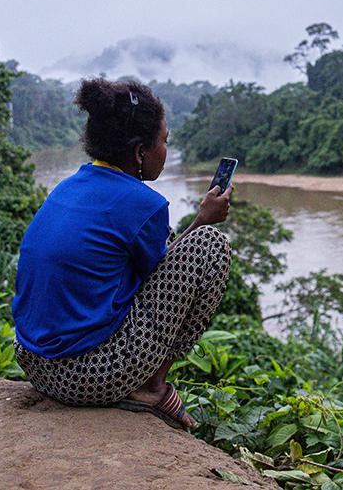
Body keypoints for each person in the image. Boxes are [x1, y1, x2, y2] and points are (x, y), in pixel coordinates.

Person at [12, 77, 232, 431]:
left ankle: (146, 384)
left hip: (34, 364)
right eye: (164, 141)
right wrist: (203, 220)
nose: (166, 150)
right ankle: (153, 387)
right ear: (139, 152)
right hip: (85, 377)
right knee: (209, 245)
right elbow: (169, 276)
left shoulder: (68, 186)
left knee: (167, 237)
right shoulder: (143, 203)